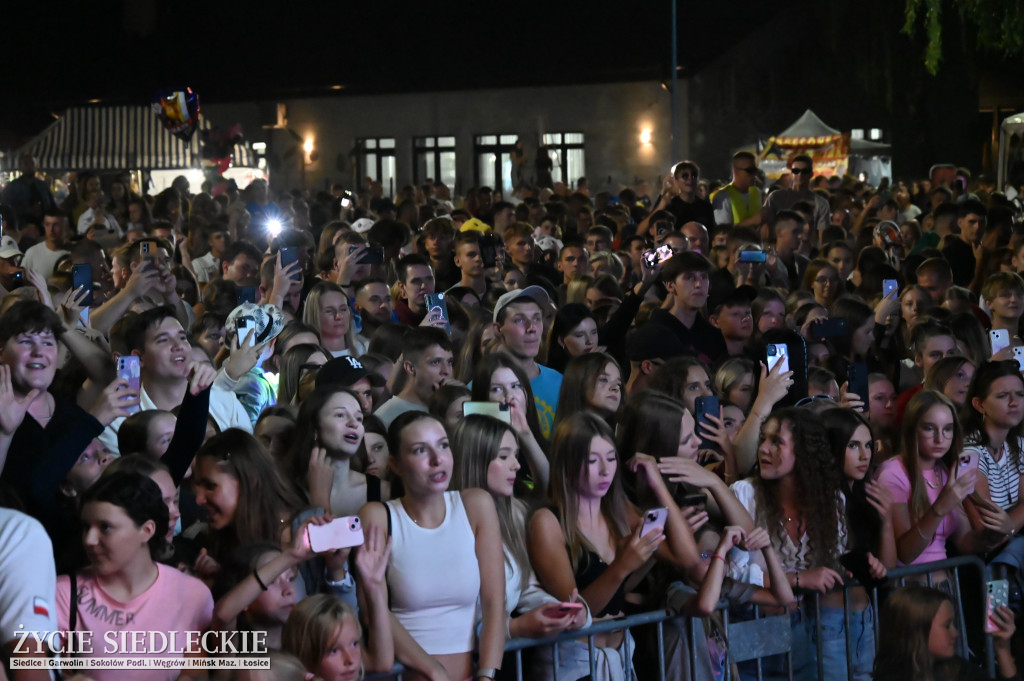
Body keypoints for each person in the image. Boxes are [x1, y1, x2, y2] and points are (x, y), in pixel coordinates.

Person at [528, 412, 700, 681]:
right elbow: (577, 614)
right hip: (574, 663)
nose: (606, 471)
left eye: (611, 459)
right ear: (568, 465)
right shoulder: (548, 522)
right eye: (593, 461)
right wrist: (623, 566)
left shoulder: (617, 511)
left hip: (620, 655)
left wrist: (658, 485)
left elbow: (688, 558)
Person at [359, 411, 505, 681]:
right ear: (396, 464)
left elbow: (495, 602)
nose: (438, 460)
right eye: (419, 451)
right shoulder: (378, 515)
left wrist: (487, 675)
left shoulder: (476, 504)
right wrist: (432, 669)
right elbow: (371, 613)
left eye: (443, 445)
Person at [56, 471, 213, 679]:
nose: (90, 540)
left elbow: (195, 674)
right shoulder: (65, 592)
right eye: (86, 527)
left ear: (147, 530)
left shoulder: (191, 594)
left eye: (105, 527)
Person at [729, 407, 846, 681]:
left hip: (808, 629)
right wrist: (799, 579)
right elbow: (734, 575)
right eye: (763, 440)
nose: (764, 450)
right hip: (755, 629)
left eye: (776, 442)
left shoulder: (831, 501)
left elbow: (833, 563)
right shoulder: (745, 494)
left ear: (804, 451)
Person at [450, 415, 588, 643]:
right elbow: (451, 622)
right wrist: (514, 627)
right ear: (475, 460)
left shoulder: (517, 513)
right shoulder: (448, 524)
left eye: (515, 454)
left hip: (504, 657)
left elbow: (526, 588)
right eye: (504, 456)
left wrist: (563, 610)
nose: (517, 465)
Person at [876, 390, 989, 578]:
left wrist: (996, 535)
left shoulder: (945, 470)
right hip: (911, 591)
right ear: (912, 429)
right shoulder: (892, 473)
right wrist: (940, 507)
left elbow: (964, 542)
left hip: (943, 584)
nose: (940, 439)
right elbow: (906, 554)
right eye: (930, 428)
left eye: (947, 429)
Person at [820, 408, 893, 681]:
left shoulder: (866, 494)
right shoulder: (822, 498)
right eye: (853, 446)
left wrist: (886, 522)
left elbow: (889, 569)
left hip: (866, 617)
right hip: (829, 620)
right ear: (832, 447)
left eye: (868, 446)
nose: (865, 455)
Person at [872, 585, 1017, 681]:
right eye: (947, 626)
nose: (956, 633)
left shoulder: (954, 667)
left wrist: (1002, 649)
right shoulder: (892, 677)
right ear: (917, 630)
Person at [960, 361, 1024, 577]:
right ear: (979, 405)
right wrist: (1012, 526)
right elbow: (987, 529)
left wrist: (1010, 525)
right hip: (987, 566)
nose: (1015, 402)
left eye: (1020, 394)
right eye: (1003, 395)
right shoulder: (969, 453)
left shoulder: (1019, 445)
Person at [288, 386, 390, 517]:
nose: (354, 423)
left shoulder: (384, 491)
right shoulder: (287, 492)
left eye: (359, 418)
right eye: (340, 415)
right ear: (315, 428)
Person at [470, 352, 550, 494]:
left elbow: (550, 490)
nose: (509, 396)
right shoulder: (474, 451)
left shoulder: (547, 446)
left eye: (516, 386)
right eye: (497, 389)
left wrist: (526, 435)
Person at [491, 286, 562, 438]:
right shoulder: (480, 386)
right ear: (498, 329)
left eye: (537, 318)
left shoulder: (559, 382)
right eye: (519, 320)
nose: (532, 328)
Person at [645, 251, 727, 365]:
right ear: (670, 285)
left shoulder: (714, 336)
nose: (699, 284)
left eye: (704, 277)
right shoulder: (653, 333)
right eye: (689, 277)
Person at [373, 327, 453, 428]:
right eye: (435, 362)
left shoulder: (449, 408)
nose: (446, 371)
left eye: (450, 362)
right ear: (410, 368)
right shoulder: (387, 417)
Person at [555, 352, 623, 427]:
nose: (615, 388)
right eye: (603, 380)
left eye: (618, 384)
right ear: (579, 382)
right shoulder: (572, 435)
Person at [304, 281, 367, 359]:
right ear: (315, 315)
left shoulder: (365, 349)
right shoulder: (308, 357)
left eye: (343, 309)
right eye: (329, 311)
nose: (338, 316)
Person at [711, 151, 762, 228]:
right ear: (736, 171)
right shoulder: (723, 197)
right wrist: (752, 221)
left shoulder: (757, 192)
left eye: (755, 170)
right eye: (750, 171)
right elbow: (723, 232)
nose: (754, 175)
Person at [21, 209, 69, 279]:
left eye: (56, 225)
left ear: (64, 226)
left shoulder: (73, 253)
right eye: (47, 224)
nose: (51, 229)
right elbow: (24, 282)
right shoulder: (32, 253)